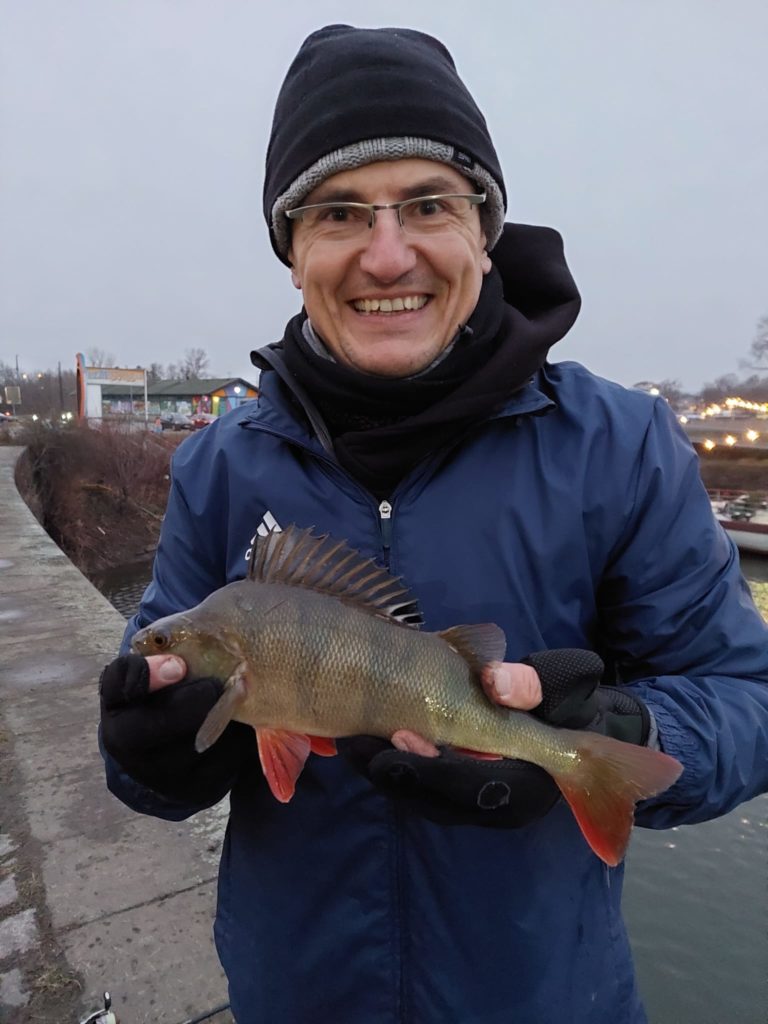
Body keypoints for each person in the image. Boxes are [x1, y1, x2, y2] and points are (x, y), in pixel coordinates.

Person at [98, 24, 768, 1024]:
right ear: (292, 252)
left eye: (428, 204)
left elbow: (747, 698)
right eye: (338, 212)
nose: (387, 254)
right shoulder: (216, 465)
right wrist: (148, 753)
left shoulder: (623, 445)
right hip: (296, 998)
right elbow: (155, 706)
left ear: (484, 232)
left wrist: (624, 730)